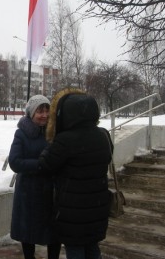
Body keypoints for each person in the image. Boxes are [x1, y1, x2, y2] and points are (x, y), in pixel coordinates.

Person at [38, 88, 112, 259]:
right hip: (97, 206)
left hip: (73, 211)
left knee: (75, 249)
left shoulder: (65, 140)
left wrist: (49, 145)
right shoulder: (103, 135)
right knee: (92, 246)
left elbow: (45, 165)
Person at [8, 95, 61, 259]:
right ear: (31, 113)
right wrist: (40, 164)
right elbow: (15, 162)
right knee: (28, 233)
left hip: (51, 192)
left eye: (47, 111)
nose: (44, 115)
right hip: (29, 193)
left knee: (54, 234)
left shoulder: (54, 133)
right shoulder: (21, 134)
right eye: (40, 111)